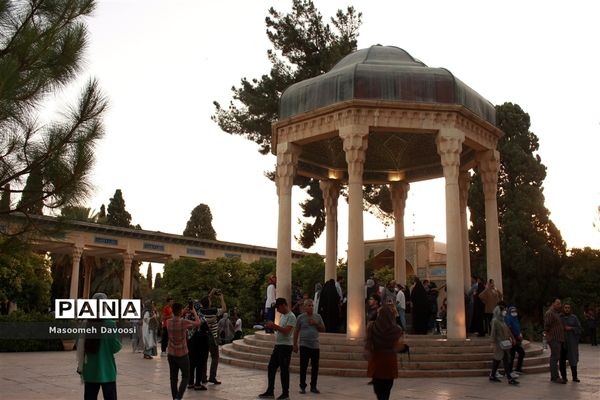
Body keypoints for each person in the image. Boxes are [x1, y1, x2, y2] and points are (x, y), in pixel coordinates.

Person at [76, 293, 122, 400]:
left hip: (90, 370)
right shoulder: (110, 323)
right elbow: (116, 347)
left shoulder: (85, 323)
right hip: (107, 370)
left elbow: (79, 344)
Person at [259, 297, 296, 400]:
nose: (277, 310)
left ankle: (285, 393)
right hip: (278, 345)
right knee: (271, 367)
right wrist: (273, 327)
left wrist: (274, 326)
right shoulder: (283, 316)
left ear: (283, 305)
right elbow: (280, 331)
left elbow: (287, 331)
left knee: (284, 370)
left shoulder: (291, 316)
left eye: (278, 308)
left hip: (285, 347)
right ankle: (270, 391)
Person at [365, 304, 404, 400]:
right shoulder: (397, 330)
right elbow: (399, 346)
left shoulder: (372, 327)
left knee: (378, 391)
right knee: (387, 390)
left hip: (376, 361)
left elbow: (368, 344)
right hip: (390, 362)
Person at [167, 302, 201, 400]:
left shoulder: (169, 322)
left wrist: (183, 310)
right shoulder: (183, 322)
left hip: (171, 353)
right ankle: (178, 397)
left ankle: (174, 398)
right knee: (186, 376)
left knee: (173, 378)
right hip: (182, 354)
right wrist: (194, 311)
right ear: (180, 311)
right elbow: (198, 323)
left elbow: (176, 315)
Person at [293, 299, 325, 394]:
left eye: (312, 305)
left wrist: (316, 323)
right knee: (303, 367)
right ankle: (302, 386)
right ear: (304, 307)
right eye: (309, 305)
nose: (311, 307)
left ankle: (313, 386)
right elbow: (296, 331)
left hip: (315, 346)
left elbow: (323, 329)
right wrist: (294, 344)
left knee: (315, 367)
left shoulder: (318, 317)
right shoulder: (300, 317)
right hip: (304, 345)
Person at [199, 288, 226, 385]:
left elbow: (204, 302)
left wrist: (210, 293)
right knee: (215, 357)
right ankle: (212, 376)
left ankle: (203, 377)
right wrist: (221, 298)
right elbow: (224, 309)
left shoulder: (200, 311)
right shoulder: (214, 311)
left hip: (203, 337)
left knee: (204, 357)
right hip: (213, 337)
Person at [488, 304, 519, 385]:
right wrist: (492, 343)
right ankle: (509, 378)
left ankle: (493, 375)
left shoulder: (502, 320)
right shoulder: (495, 321)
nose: (504, 312)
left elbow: (506, 330)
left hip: (504, 343)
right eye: (503, 310)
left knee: (499, 359)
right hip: (499, 343)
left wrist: (510, 338)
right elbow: (493, 333)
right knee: (501, 359)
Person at [186, 301, 208, 391]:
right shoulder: (201, 316)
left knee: (191, 363)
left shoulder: (187, 316)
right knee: (200, 363)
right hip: (200, 342)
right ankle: (198, 384)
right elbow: (203, 325)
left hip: (191, 341)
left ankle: (190, 382)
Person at [544, 298, 566, 384]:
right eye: (558, 303)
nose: (559, 305)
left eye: (560, 304)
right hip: (554, 338)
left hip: (558, 338)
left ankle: (554, 376)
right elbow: (546, 326)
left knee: (556, 357)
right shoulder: (550, 313)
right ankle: (555, 377)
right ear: (553, 303)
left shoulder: (556, 313)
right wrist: (549, 337)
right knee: (555, 357)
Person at [559, 302, 582, 382]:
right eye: (565, 307)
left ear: (570, 309)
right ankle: (564, 377)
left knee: (573, 359)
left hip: (572, 342)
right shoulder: (560, 317)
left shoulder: (574, 318)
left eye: (568, 308)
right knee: (562, 360)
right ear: (563, 308)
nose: (567, 309)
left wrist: (571, 328)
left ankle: (574, 376)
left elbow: (579, 328)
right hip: (562, 342)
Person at [504, 306, 525, 374]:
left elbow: (517, 327)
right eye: (512, 311)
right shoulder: (509, 318)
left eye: (515, 311)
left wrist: (520, 334)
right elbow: (509, 329)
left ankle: (516, 369)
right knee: (514, 354)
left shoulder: (515, 318)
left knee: (518, 353)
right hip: (513, 338)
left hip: (517, 338)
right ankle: (511, 370)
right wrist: (514, 338)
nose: (514, 313)